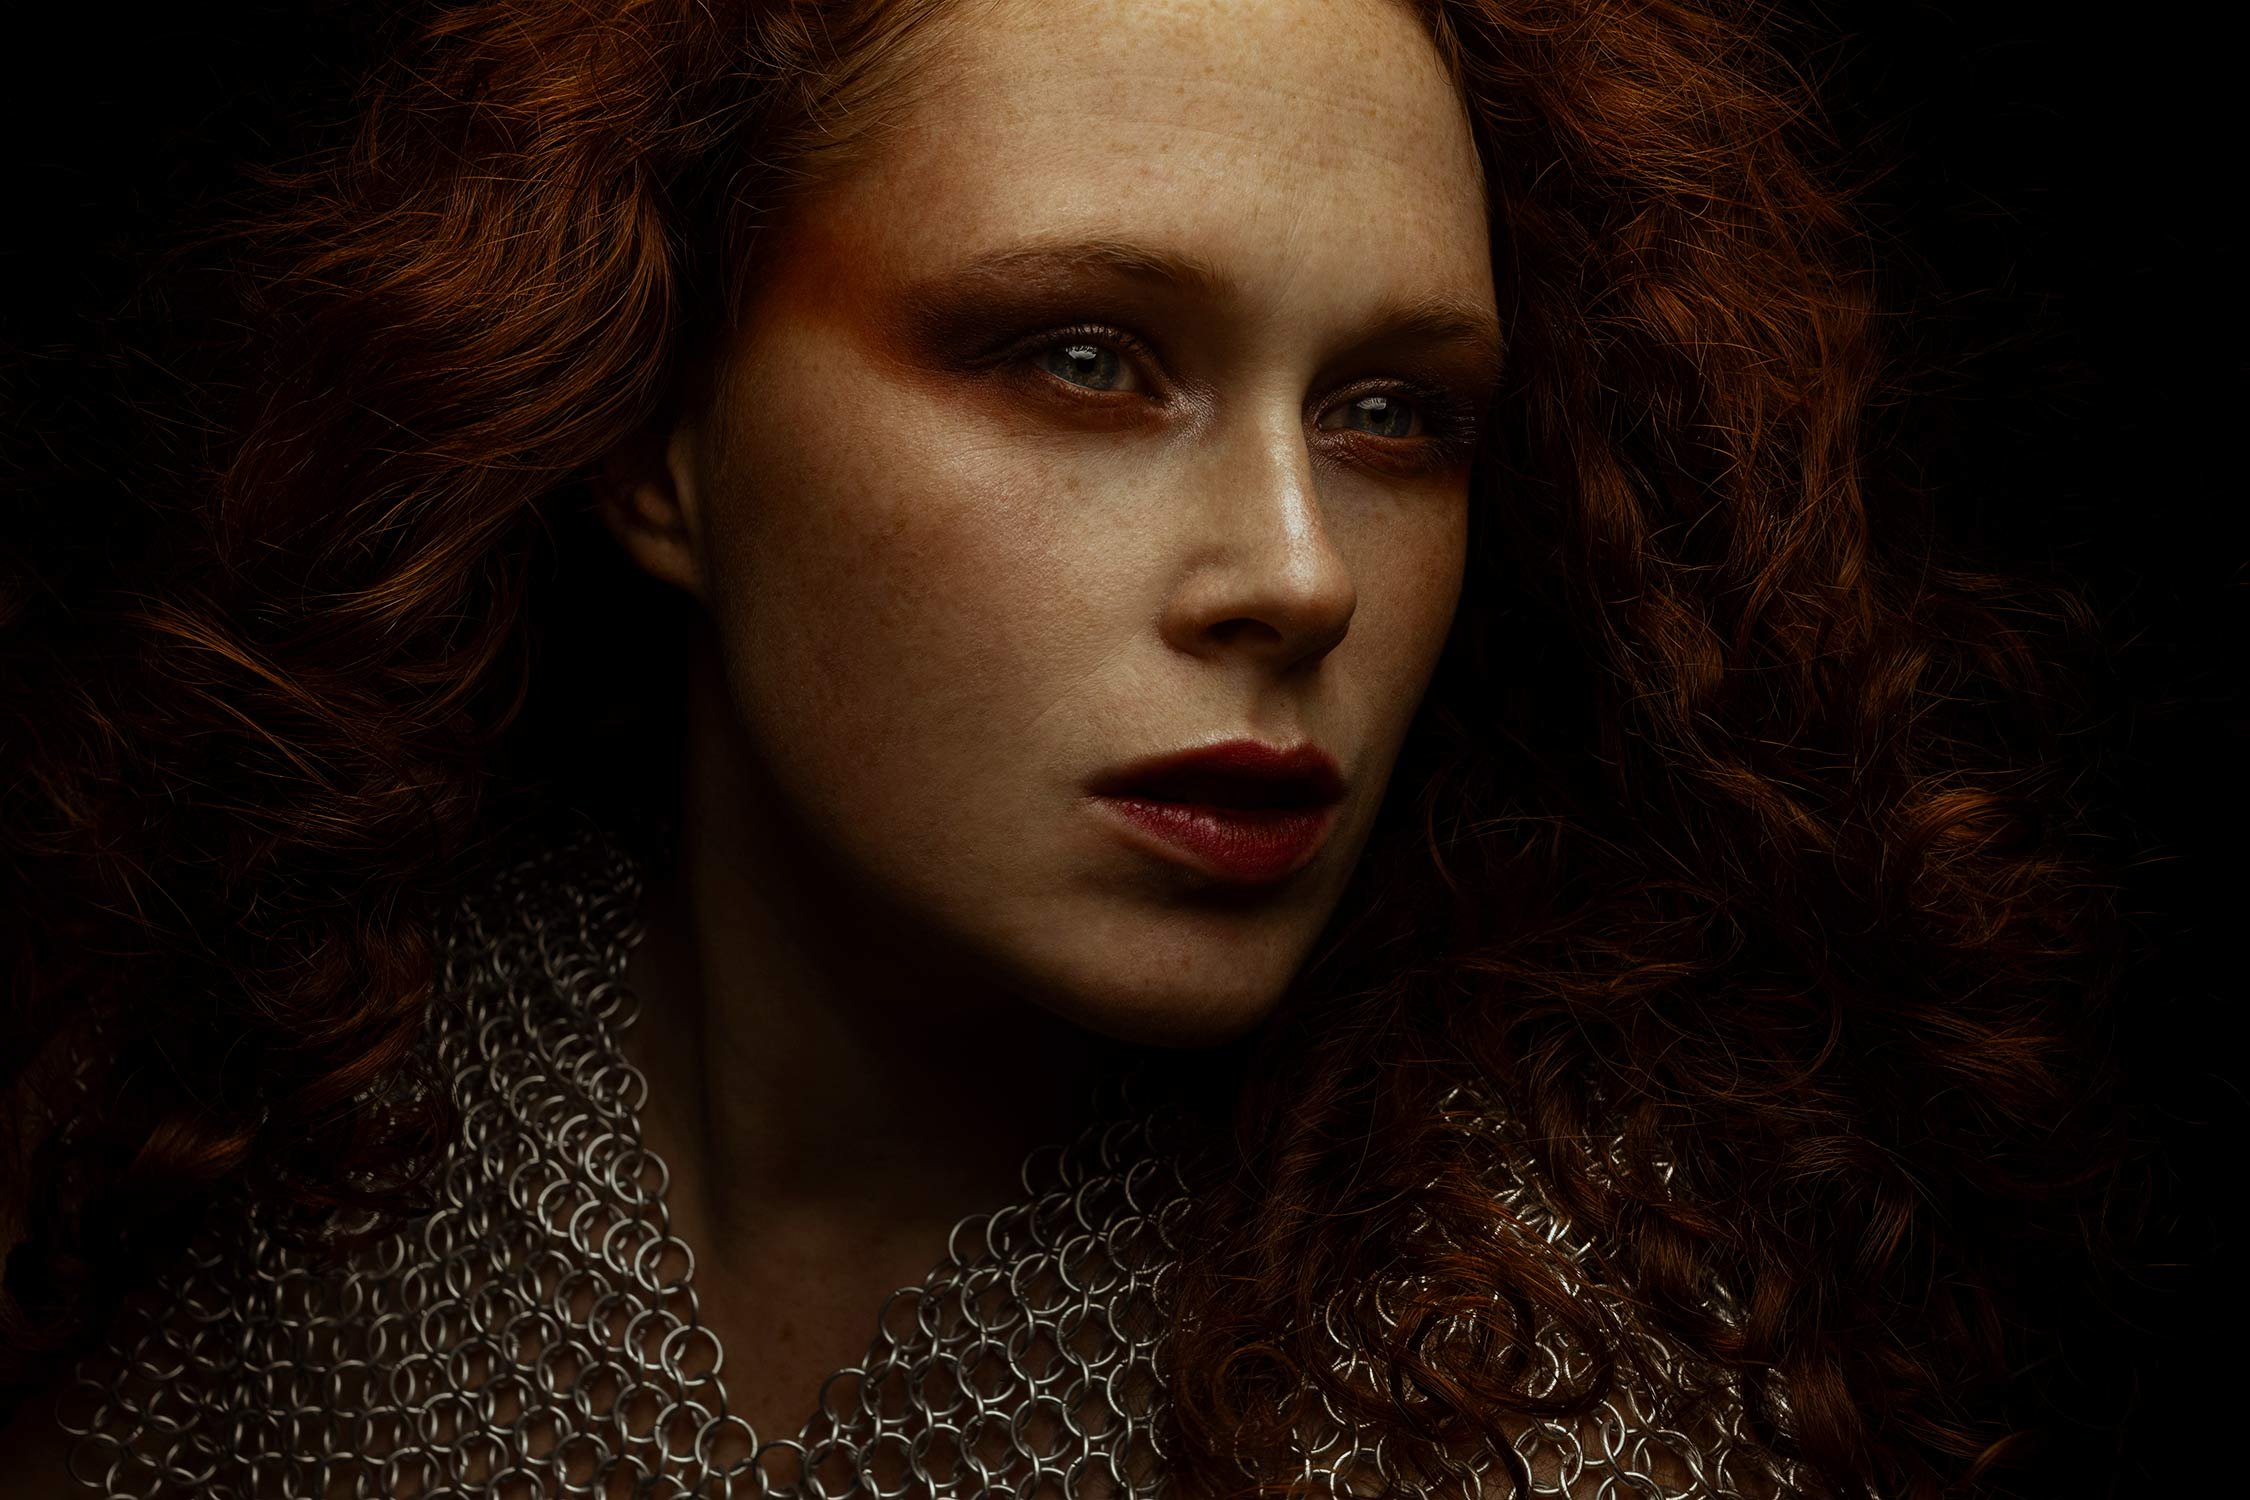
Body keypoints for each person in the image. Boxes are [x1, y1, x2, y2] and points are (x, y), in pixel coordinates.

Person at [0, 0, 2124, 1495]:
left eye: (1399, 415)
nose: (1302, 578)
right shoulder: (290, 1158)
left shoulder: (1564, 1402)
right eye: (1086, 361)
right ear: (655, 432)